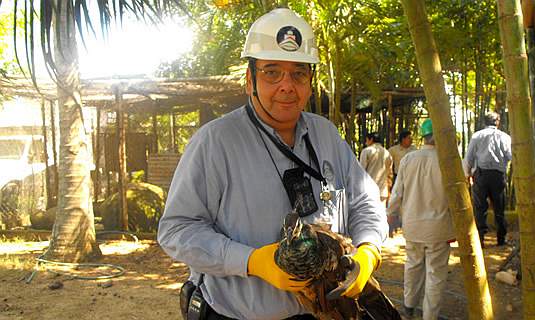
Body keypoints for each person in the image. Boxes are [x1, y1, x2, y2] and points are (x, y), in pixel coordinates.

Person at [157, 8, 388, 320]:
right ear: (250, 77)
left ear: (310, 80)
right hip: (236, 315)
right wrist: (251, 261)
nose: (286, 85)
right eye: (272, 72)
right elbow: (176, 229)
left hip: (321, 311)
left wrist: (369, 249)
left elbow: (364, 199)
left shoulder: (326, 135)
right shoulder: (216, 141)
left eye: (298, 73)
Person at [387, 118, 455, 320]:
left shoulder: (409, 159)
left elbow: (397, 193)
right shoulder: (449, 162)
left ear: (423, 136)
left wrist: (391, 213)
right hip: (439, 229)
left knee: (413, 266)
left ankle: (408, 308)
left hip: (413, 226)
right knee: (436, 274)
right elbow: (457, 200)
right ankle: (429, 316)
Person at [464, 111, 512, 247]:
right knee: (499, 207)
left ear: (484, 122)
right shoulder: (505, 137)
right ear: (497, 122)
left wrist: (467, 174)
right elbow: (511, 156)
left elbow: (469, 158)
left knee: (480, 207)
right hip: (498, 175)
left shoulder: (477, 136)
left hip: (481, 175)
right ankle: (501, 239)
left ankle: (480, 240)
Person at [359, 132, 393, 205]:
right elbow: (390, 174)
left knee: (369, 215)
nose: (366, 142)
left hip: (369, 191)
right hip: (383, 192)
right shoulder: (387, 153)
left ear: (371, 140)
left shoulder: (366, 151)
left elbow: (361, 172)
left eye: (366, 140)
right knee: (381, 215)